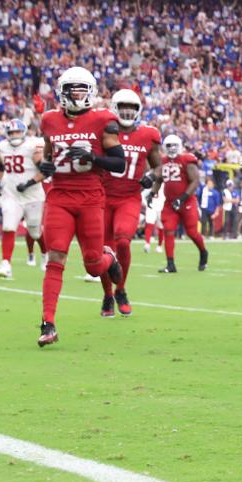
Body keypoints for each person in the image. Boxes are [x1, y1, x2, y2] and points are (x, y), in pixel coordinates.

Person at [36, 66, 127, 347]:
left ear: (90, 92)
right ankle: (48, 323)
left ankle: (108, 258)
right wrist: (45, 166)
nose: (76, 94)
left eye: (81, 89)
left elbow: (119, 163)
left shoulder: (104, 120)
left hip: (90, 196)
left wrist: (93, 156)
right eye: (71, 89)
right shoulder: (49, 120)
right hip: (60, 196)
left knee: (92, 266)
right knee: (56, 257)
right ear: (62, 93)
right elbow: (48, 156)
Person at [100, 89, 162, 317]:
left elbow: (159, 166)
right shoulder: (104, 130)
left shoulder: (148, 134)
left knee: (123, 242)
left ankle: (121, 289)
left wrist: (152, 177)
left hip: (129, 197)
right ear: (115, 107)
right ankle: (107, 295)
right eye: (123, 106)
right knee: (104, 251)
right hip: (103, 197)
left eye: (132, 107)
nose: (127, 111)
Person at [0, 118, 46, 278]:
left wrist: (29, 183)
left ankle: (45, 253)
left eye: (17, 132)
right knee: (8, 227)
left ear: (22, 133)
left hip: (33, 195)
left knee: (35, 232)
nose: (14, 135)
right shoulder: (3, 146)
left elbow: (44, 170)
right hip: (12, 194)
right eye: (11, 132)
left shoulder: (31, 146)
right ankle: (5, 264)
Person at [153, 135, 209, 274]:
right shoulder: (163, 161)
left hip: (187, 202)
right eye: (169, 145)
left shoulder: (186, 159)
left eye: (174, 145)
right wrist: (152, 193)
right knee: (168, 230)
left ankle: (203, 252)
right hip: (170, 203)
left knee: (192, 232)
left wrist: (182, 198)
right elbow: (159, 180)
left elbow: (195, 181)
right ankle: (170, 264)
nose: (171, 148)